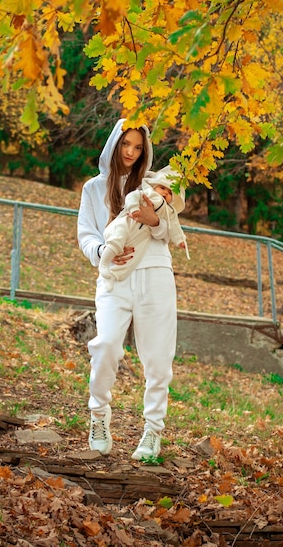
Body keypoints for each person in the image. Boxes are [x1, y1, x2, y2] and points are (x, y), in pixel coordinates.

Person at [77, 118, 180, 460]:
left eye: (138, 147)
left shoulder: (154, 185)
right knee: (105, 345)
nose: (132, 153)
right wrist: (103, 252)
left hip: (155, 275)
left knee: (157, 358)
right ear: (115, 143)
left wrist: (154, 222)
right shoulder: (94, 188)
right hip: (114, 278)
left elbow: (170, 228)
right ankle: (98, 417)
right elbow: (86, 234)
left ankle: (152, 433)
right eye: (126, 145)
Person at [99, 165, 190, 291]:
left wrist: (180, 240)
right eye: (162, 188)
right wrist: (134, 208)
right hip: (129, 221)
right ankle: (103, 264)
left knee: (132, 258)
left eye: (170, 193)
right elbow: (132, 196)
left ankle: (113, 277)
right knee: (117, 240)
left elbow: (174, 226)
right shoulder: (147, 194)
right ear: (154, 186)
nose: (165, 192)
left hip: (143, 235)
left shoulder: (169, 212)